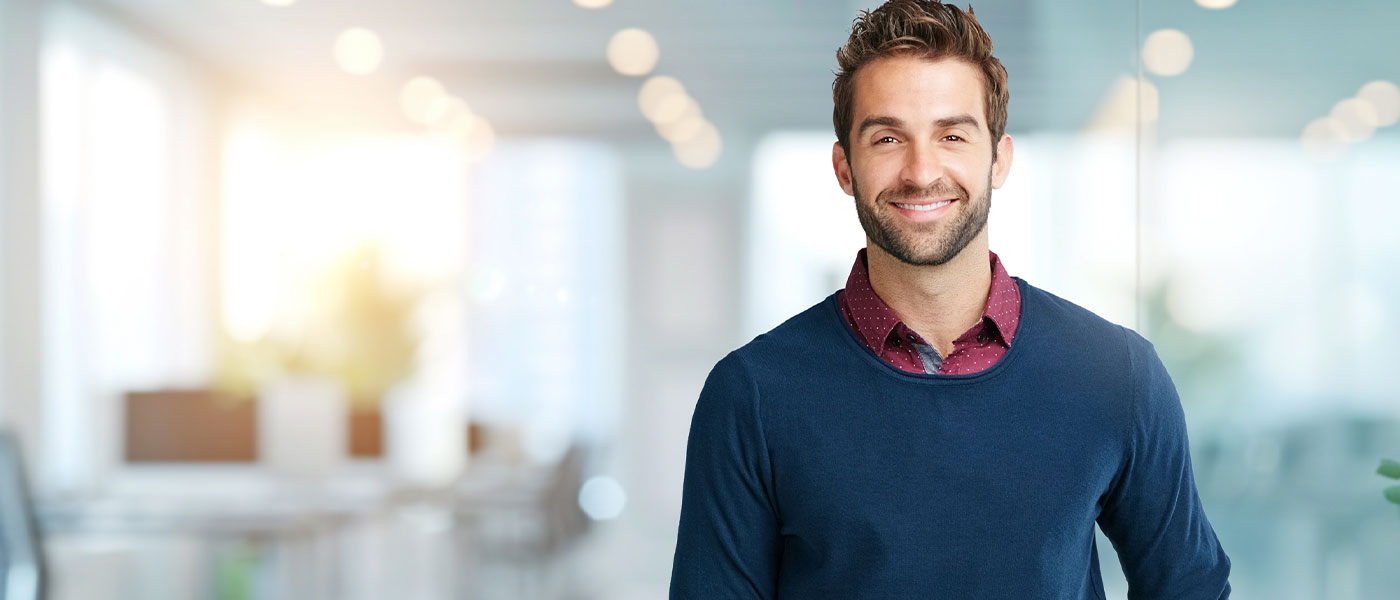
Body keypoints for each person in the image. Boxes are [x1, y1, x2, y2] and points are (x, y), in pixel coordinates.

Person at [668, 1, 1232, 598]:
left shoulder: (1118, 375)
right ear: (844, 168)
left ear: (999, 160)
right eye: (887, 138)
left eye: (952, 135)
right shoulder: (752, 395)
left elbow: (1189, 587)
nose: (920, 170)